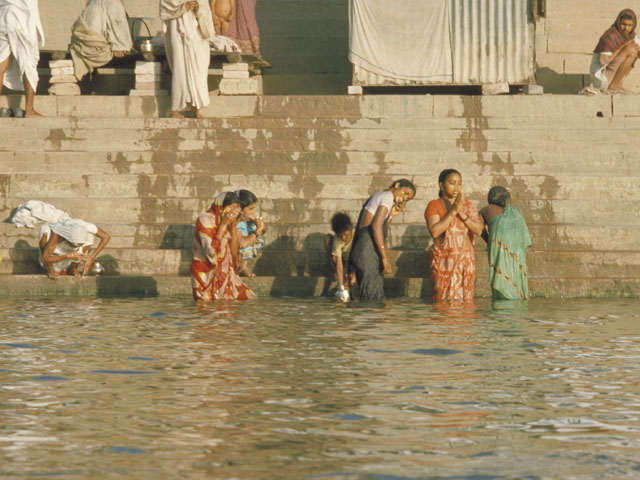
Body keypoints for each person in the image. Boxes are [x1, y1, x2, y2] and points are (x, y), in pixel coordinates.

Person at [349, 179, 416, 301]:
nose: (405, 198)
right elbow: (376, 226)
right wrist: (385, 258)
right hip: (366, 252)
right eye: (405, 193)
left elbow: (376, 224)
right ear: (397, 185)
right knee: (372, 299)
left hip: (363, 251)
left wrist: (392, 215)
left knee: (368, 297)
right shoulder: (388, 196)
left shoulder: (380, 196)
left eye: (408, 198)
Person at [425, 169, 483, 302]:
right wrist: (453, 211)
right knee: (444, 305)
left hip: (466, 263)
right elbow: (435, 231)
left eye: (459, 183)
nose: (456, 187)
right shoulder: (434, 205)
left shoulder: (467, 205)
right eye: (452, 183)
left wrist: (462, 214)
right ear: (441, 185)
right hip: (445, 264)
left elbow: (479, 230)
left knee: (465, 305)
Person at [191, 191, 257, 301]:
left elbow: (234, 255)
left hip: (225, 274)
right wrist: (223, 225)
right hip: (204, 275)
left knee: (250, 298)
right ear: (221, 207)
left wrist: (234, 227)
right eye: (231, 208)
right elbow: (211, 255)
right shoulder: (205, 220)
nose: (233, 212)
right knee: (206, 311)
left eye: (236, 209)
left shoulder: (229, 222)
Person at [160, 0, 215, 119]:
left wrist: (197, 7)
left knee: (199, 67)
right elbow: (165, 8)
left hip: (196, 32)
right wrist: (183, 7)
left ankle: (197, 108)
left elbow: (205, 8)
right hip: (178, 31)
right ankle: (175, 108)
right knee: (180, 68)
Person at [480, 186, 531, 300]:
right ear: (507, 199)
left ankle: (502, 298)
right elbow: (524, 239)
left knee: (501, 275)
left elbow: (478, 228)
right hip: (517, 250)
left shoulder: (487, 209)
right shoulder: (516, 213)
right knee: (515, 274)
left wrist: (489, 240)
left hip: (499, 248)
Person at [0, 0, 44, 118]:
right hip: (22, 19)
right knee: (29, 61)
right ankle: (29, 109)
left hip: (3, 15)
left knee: (1, 61)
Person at [70, 0, 133, 81]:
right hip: (95, 48)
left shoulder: (93, 2)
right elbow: (117, 22)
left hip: (80, 46)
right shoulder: (113, 2)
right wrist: (119, 46)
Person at [39, 218, 110, 279]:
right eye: (73, 245)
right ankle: (49, 267)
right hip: (53, 260)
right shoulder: (56, 233)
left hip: (71, 258)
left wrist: (92, 257)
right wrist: (66, 256)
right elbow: (44, 259)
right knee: (44, 230)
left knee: (90, 235)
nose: (74, 247)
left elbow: (106, 237)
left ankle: (73, 266)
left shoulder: (85, 226)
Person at [591, 9, 640, 92]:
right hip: (601, 78)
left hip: (610, 76)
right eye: (623, 24)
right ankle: (614, 86)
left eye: (629, 25)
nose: (626, 28)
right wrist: (623, 47)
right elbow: (603, 62)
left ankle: (618, 85)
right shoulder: (609, 36)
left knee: (634, 50)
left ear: (634, 25)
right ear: (618, 22)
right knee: (631, 50)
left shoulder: (631, 36)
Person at [235, 189, 266, 277]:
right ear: (240, 209)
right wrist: (258, 231)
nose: (253, 212)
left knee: (253, 230)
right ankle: (236, 268)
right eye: (250, 209)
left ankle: (242, 267)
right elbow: (242, 243)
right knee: (252, 236)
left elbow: (264, 228)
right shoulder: (235, 221)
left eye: (254, 208)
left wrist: (257, 223)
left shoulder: (246, 217)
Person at [324, 212, 354, 298]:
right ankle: (342, 276)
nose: (344, 237)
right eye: (342, 235)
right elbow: (338, 263)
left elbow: (360, 259)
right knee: (328, 239)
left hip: (353, 262)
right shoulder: (337, 240)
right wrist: (340, 286)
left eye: (347, 235)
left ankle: (349, 276)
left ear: (351, 229)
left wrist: (353, 277)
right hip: (343, 262)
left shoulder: (357, 235)